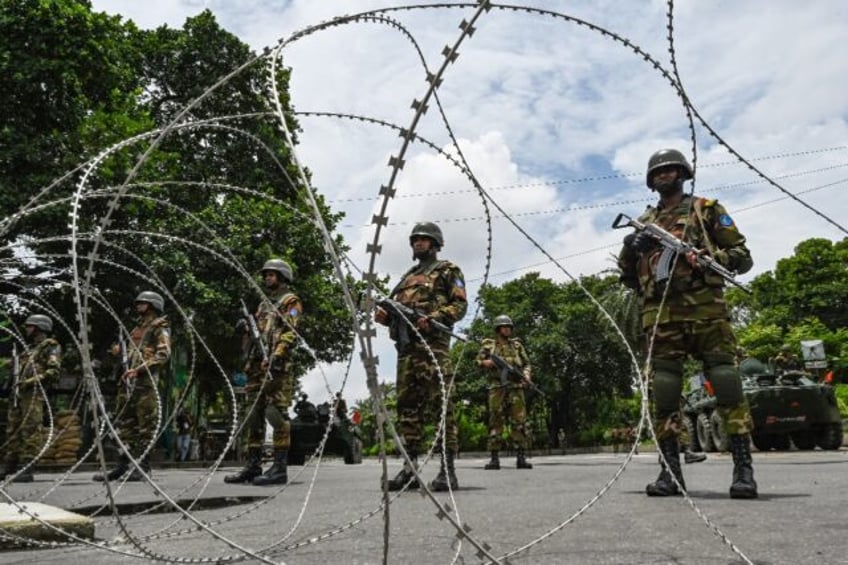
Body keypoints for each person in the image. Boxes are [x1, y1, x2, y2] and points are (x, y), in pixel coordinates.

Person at [617, 148, 757, 499]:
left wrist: (710, 258)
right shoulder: (646, 220)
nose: (664, 175)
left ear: (683, 173)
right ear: (651, 182)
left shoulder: (706, 210)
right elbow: (629, 278)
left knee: (726, 384)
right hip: (662, 317)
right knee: (664, 392)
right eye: (658, 172)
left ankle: (743, 470)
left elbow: (742, 257)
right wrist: (634, 246)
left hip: (707, 310)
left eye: (671, 170)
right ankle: (670, 474)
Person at [375, 221, 468, 491]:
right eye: (415, 239)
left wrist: (435, 317)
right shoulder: (405, 279)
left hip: (434, 349)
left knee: (442, 407)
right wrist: (384, 317)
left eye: (424, 239)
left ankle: (447, 470)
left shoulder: (448, 271)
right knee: (407, 410)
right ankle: (409, 470)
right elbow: (395, 314)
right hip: (407, 352)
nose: (418, 243)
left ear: (436, 244)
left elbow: (459, 304)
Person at [225, 259, 301, 486]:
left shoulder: (291, 301)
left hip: (277, 366)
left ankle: (279, 468)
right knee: (253, 416)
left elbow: (290, 332)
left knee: (275, 414)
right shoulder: (263, 305)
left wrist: (276, 355)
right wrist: (247, 329)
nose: (267, 278)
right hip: (257, 366)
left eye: (272, 274)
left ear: (283, 277)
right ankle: (253, 465)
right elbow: (259, 334)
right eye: (266, 274)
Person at [94, 291, 170, 482]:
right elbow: (129, 354)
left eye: (142, 302)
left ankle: (142, 466)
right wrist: (118, 352)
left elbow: (163, 354)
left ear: (152, 305)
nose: (138, 305)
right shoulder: (136, 329)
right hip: (127, 383)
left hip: (145, 384)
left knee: (145, 427)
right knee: (126, 426)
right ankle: (123, 464)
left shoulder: (159, 328)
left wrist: (140, 369)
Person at [1, 314, 61, 483]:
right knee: (13, 430)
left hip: (34, 394)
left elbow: (53, 372)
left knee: (31, 430)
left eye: (30, 326)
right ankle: (9, 466)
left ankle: (27, 467)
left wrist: (30, 381)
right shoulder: (29, 349)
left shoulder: (50, 347)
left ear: (39, 328)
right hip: (19, 394)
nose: (26, 329)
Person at [476, 315, 533, 470]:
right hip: (497, 387)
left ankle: (521, 457)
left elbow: (526, 363)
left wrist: (526, 376)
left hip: (516, 386)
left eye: (509, 326)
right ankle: (494, 458)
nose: (507, 329)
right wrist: (488, 363)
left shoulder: (517, 346)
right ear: (498, 329)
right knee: (496, 420)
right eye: (504, 326)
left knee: (519, 421)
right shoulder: (488, 346)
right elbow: (478, 362)